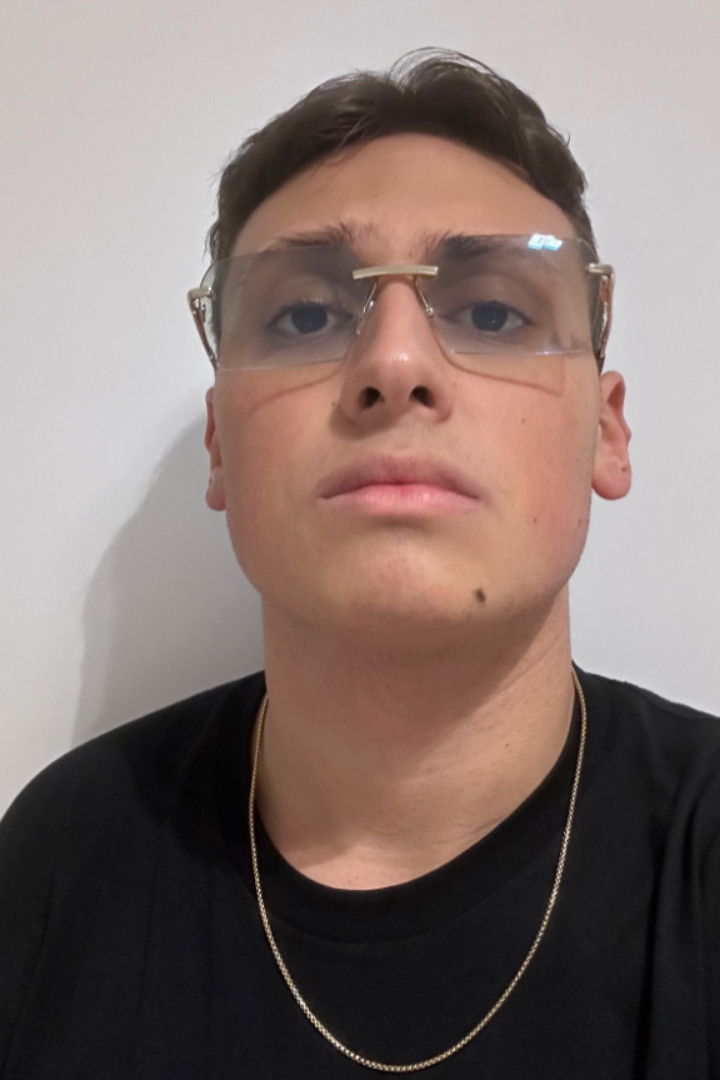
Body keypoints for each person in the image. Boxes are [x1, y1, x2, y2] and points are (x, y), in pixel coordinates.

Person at [1, 48, 718, 1080]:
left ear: (605, 434)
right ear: (221, 446)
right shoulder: (58, 863)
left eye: (492, 313)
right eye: (305, 316)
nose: (393, 363)